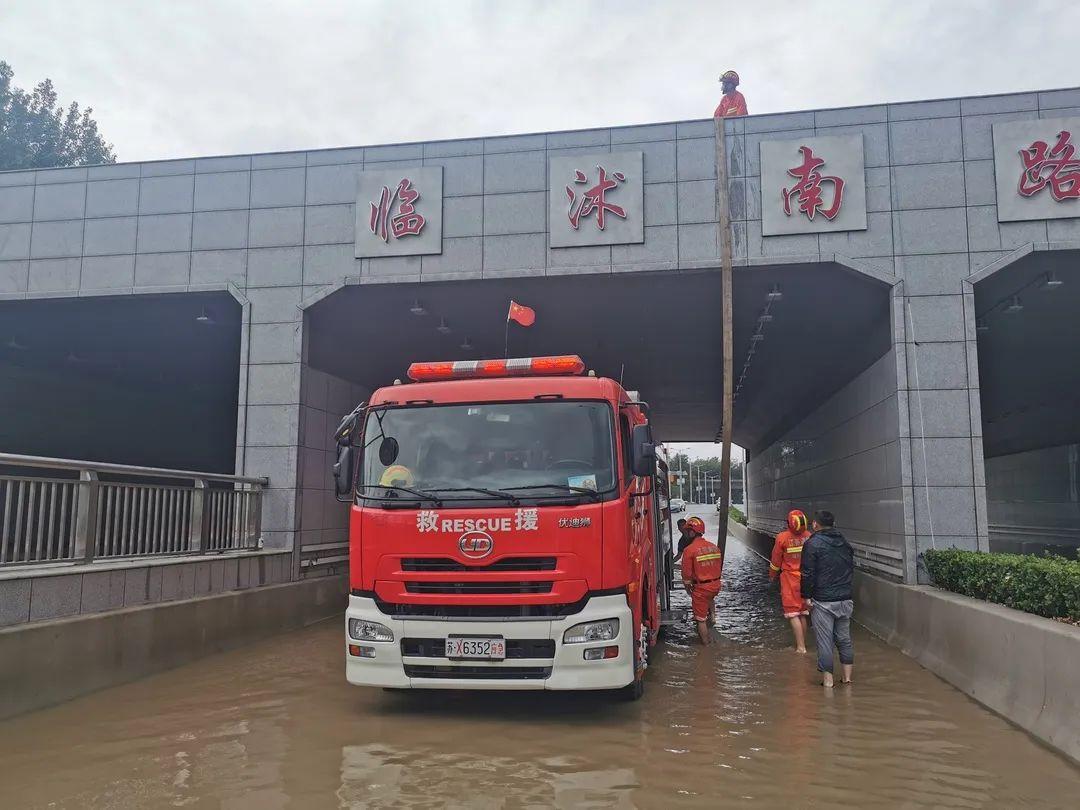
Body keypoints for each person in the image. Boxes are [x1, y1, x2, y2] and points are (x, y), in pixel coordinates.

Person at [800, 510, 855, 687]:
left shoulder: (812, 544)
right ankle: (847, 679)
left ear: (815, 524)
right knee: (844, 639)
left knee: (825, 641)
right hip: (845, 598)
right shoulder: (844, 542)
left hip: (823, 600)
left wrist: (806, 596)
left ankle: (828, 682)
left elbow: (807, 573)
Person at [769, 509, 812, 653]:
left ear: (789, 523)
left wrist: (772, 575)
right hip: (806, 578)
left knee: (793, 613)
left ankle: (801, 647)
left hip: (790, 579)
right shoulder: (809, 536)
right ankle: (802, 643)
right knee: (803, 611)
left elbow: (776, 560)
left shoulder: (782, 537)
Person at [680, 517, 724, 644]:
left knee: (700, 620)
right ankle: (713, 620)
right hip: (715, 586)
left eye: (687, 531)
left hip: (702, 589)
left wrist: (689, 589)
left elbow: (686, 575)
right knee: (709, 600)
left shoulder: (689, 550)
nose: (686, 534)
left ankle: (706, 647)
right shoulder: (714, 547)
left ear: (692, 532)